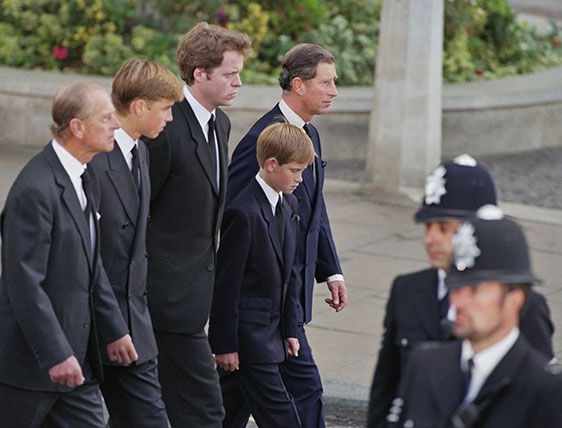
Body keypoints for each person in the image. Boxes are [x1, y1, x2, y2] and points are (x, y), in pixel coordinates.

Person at [0, 81, 138, 427]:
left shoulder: (84, 176)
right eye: (106, 118)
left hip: (75, 364)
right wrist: (55, 354)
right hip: (28, 368)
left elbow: (90, 264)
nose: (116, 125)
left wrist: (114, 329)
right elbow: (24, 284)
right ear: (77, 127)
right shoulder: (35, 190)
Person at [367, 155, 555, 428]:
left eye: (445, 228)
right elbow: (386, 387)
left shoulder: (525, 305)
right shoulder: (407, 291)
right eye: (428, 227)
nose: (430, 239)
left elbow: (535, 386)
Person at [226, 43, 347, 427]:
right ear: (298, 84)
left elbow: (315, 210)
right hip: (267, 302)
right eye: (326, 82)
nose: (334, 91)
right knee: (304, 388)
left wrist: (331, 270)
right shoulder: (261, 142)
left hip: (285, 300)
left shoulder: (310, 134)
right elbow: (239, 219)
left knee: (230, 398)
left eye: (335, 82)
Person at [143, 22, 251, 428]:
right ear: (199, 73)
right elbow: (135, 213)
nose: (239, 82)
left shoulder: (219, 124)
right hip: (161, 300)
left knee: (144, 408)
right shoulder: (166, 129)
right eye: (229, 74)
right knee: (205, 411)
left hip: (192, 297)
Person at [88, 58, 182, 427]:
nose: (170, 118)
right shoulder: (95, 159)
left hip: (135, 326)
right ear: (140, 106)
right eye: (165, 109)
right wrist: (113, 327)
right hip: (95, 327)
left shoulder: (141, 151)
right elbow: (90, 254)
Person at [209, 123, 315, 428]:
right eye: (295, 170)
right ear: (271, 164)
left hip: (272, 334)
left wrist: (290, 329)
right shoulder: (243, 213)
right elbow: (226, 286)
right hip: (249, 338)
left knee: (226, 414)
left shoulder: (289, 204)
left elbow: (289, 276)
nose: (300, 178)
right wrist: (224, 345)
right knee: (282, 417)